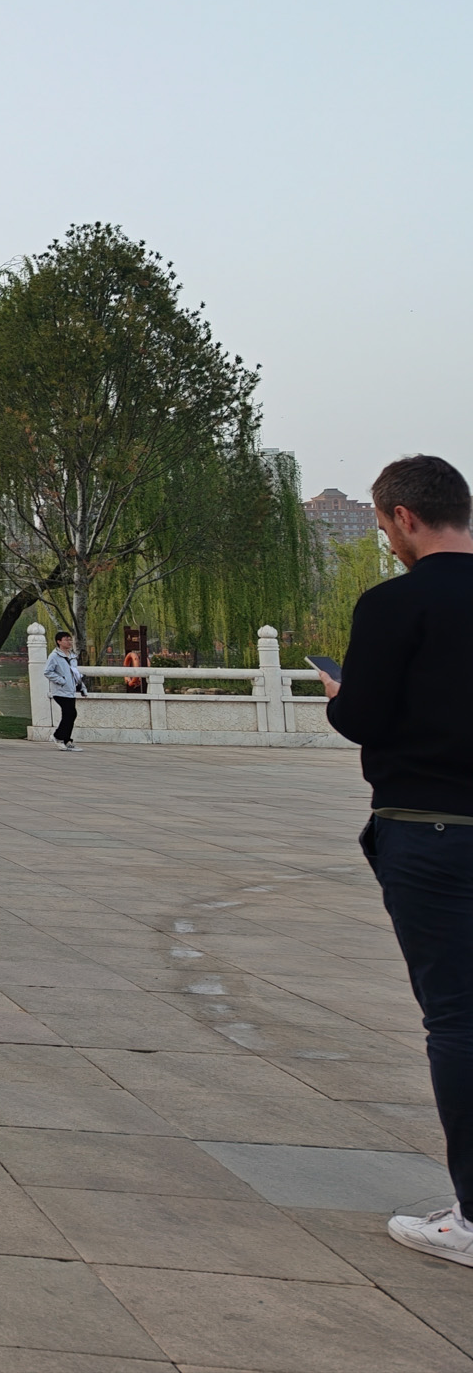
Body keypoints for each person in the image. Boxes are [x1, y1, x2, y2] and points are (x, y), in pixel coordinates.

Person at [321, 455, 473, 1268]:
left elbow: (365, 718)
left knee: (458, 1018)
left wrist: (340, 698)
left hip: (432, 828)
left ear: (404, 517)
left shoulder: (394, 604)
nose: (387, 539)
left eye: (384, 526)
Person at [43, 630, 85, 750]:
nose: (69, 642)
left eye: (70, 639)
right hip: (60, 691)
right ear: (59, 642)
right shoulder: (54, 656)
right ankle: (58, 737)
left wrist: (82, 687)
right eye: (66, 640)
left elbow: (75, 673)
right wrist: (62, 680)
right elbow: (47, 671)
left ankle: (67, 740)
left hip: (70, 690)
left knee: (71, 714)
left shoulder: (72, 656)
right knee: (69, 714)